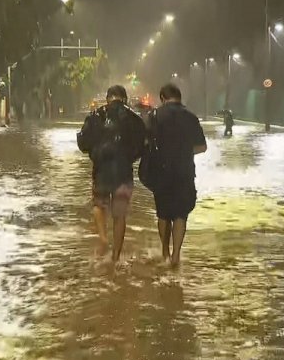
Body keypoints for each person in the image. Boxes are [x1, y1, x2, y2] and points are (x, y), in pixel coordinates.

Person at [77, 85, 145, 261]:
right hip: (123, 172)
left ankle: (103, 237)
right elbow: (142, 146)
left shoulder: (95, 116)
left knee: (99, 205)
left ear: (108, 98)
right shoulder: (134, 118)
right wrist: (129, 157)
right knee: (119, 214)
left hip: (101, 171)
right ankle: (115, 256)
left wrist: (95, 152)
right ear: (124, 98)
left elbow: (83, 143)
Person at [150, 83, 207, 267]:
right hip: (185, 172)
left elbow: (146, 143)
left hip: (161, 171)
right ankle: (176, 255)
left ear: (162, 98)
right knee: (180, 214)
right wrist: (184, 152)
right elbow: (202, 147)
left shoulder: (155, 116)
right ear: (179, 98)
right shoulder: (191, 117)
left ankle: (165, 252)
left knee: (163, 214)